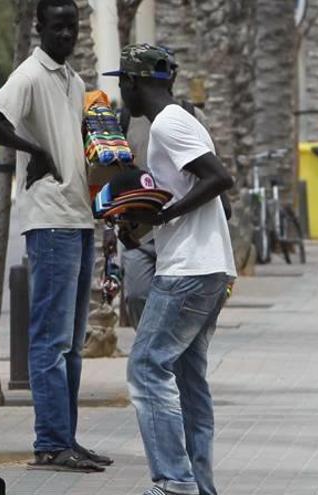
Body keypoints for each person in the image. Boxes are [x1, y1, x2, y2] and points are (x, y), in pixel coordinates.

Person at [0, 0, 112, 471]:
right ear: (39, 28)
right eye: (58, 27)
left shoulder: (72, 80)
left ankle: (66, 437)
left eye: (73, 26)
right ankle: (50, 442)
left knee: (71, 342)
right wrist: (36, 152)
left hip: (78, 217)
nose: (67, 35)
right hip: (50, 222)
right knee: (50, 341)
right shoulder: (30, 74)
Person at [107, 43, 237, 495]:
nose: (122, 90)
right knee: (187, 377)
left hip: (189, 270)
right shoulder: (184, 120)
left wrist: (163, 218)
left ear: (134, 83)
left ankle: (174, 481)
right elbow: (208, 195)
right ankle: (199, 485)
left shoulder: (166, 124)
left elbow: (219, 179)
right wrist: (144, 224)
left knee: (145, 367)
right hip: (208, 265)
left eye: (123, 81)